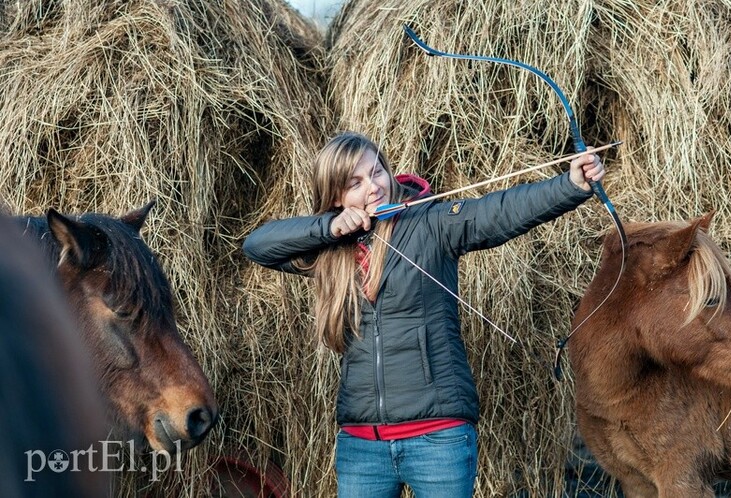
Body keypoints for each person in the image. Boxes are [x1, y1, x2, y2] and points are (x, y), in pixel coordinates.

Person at [242, 131, 605, 497]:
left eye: (377, 172)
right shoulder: (329, 252)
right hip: (362, 444)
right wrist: (329, 228)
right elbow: (257, 246)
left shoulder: (431, 223)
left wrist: (571, 184)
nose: (374, 186)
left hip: (438, 439)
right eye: (356, 182)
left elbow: (499, 212)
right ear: (336, 196)